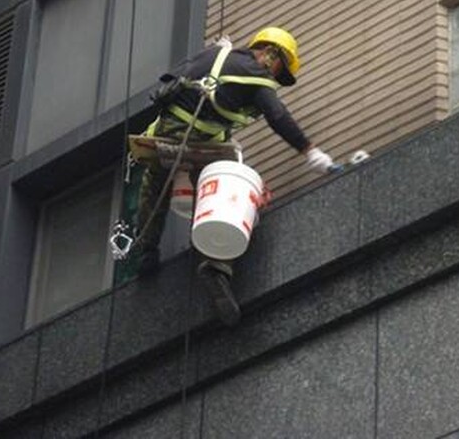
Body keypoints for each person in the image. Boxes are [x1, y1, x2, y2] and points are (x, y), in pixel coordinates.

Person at [136, 27, 337, 325]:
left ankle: (145, 251)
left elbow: (172, 80)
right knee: (223, 189)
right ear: (272, 54)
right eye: (279, 69)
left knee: (155, 186)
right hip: (201, 145)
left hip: (165, 134)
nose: (275, 78)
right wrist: (309, 151)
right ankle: (216, 265)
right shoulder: (256, 75)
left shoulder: (215, 53)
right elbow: (278, 117)